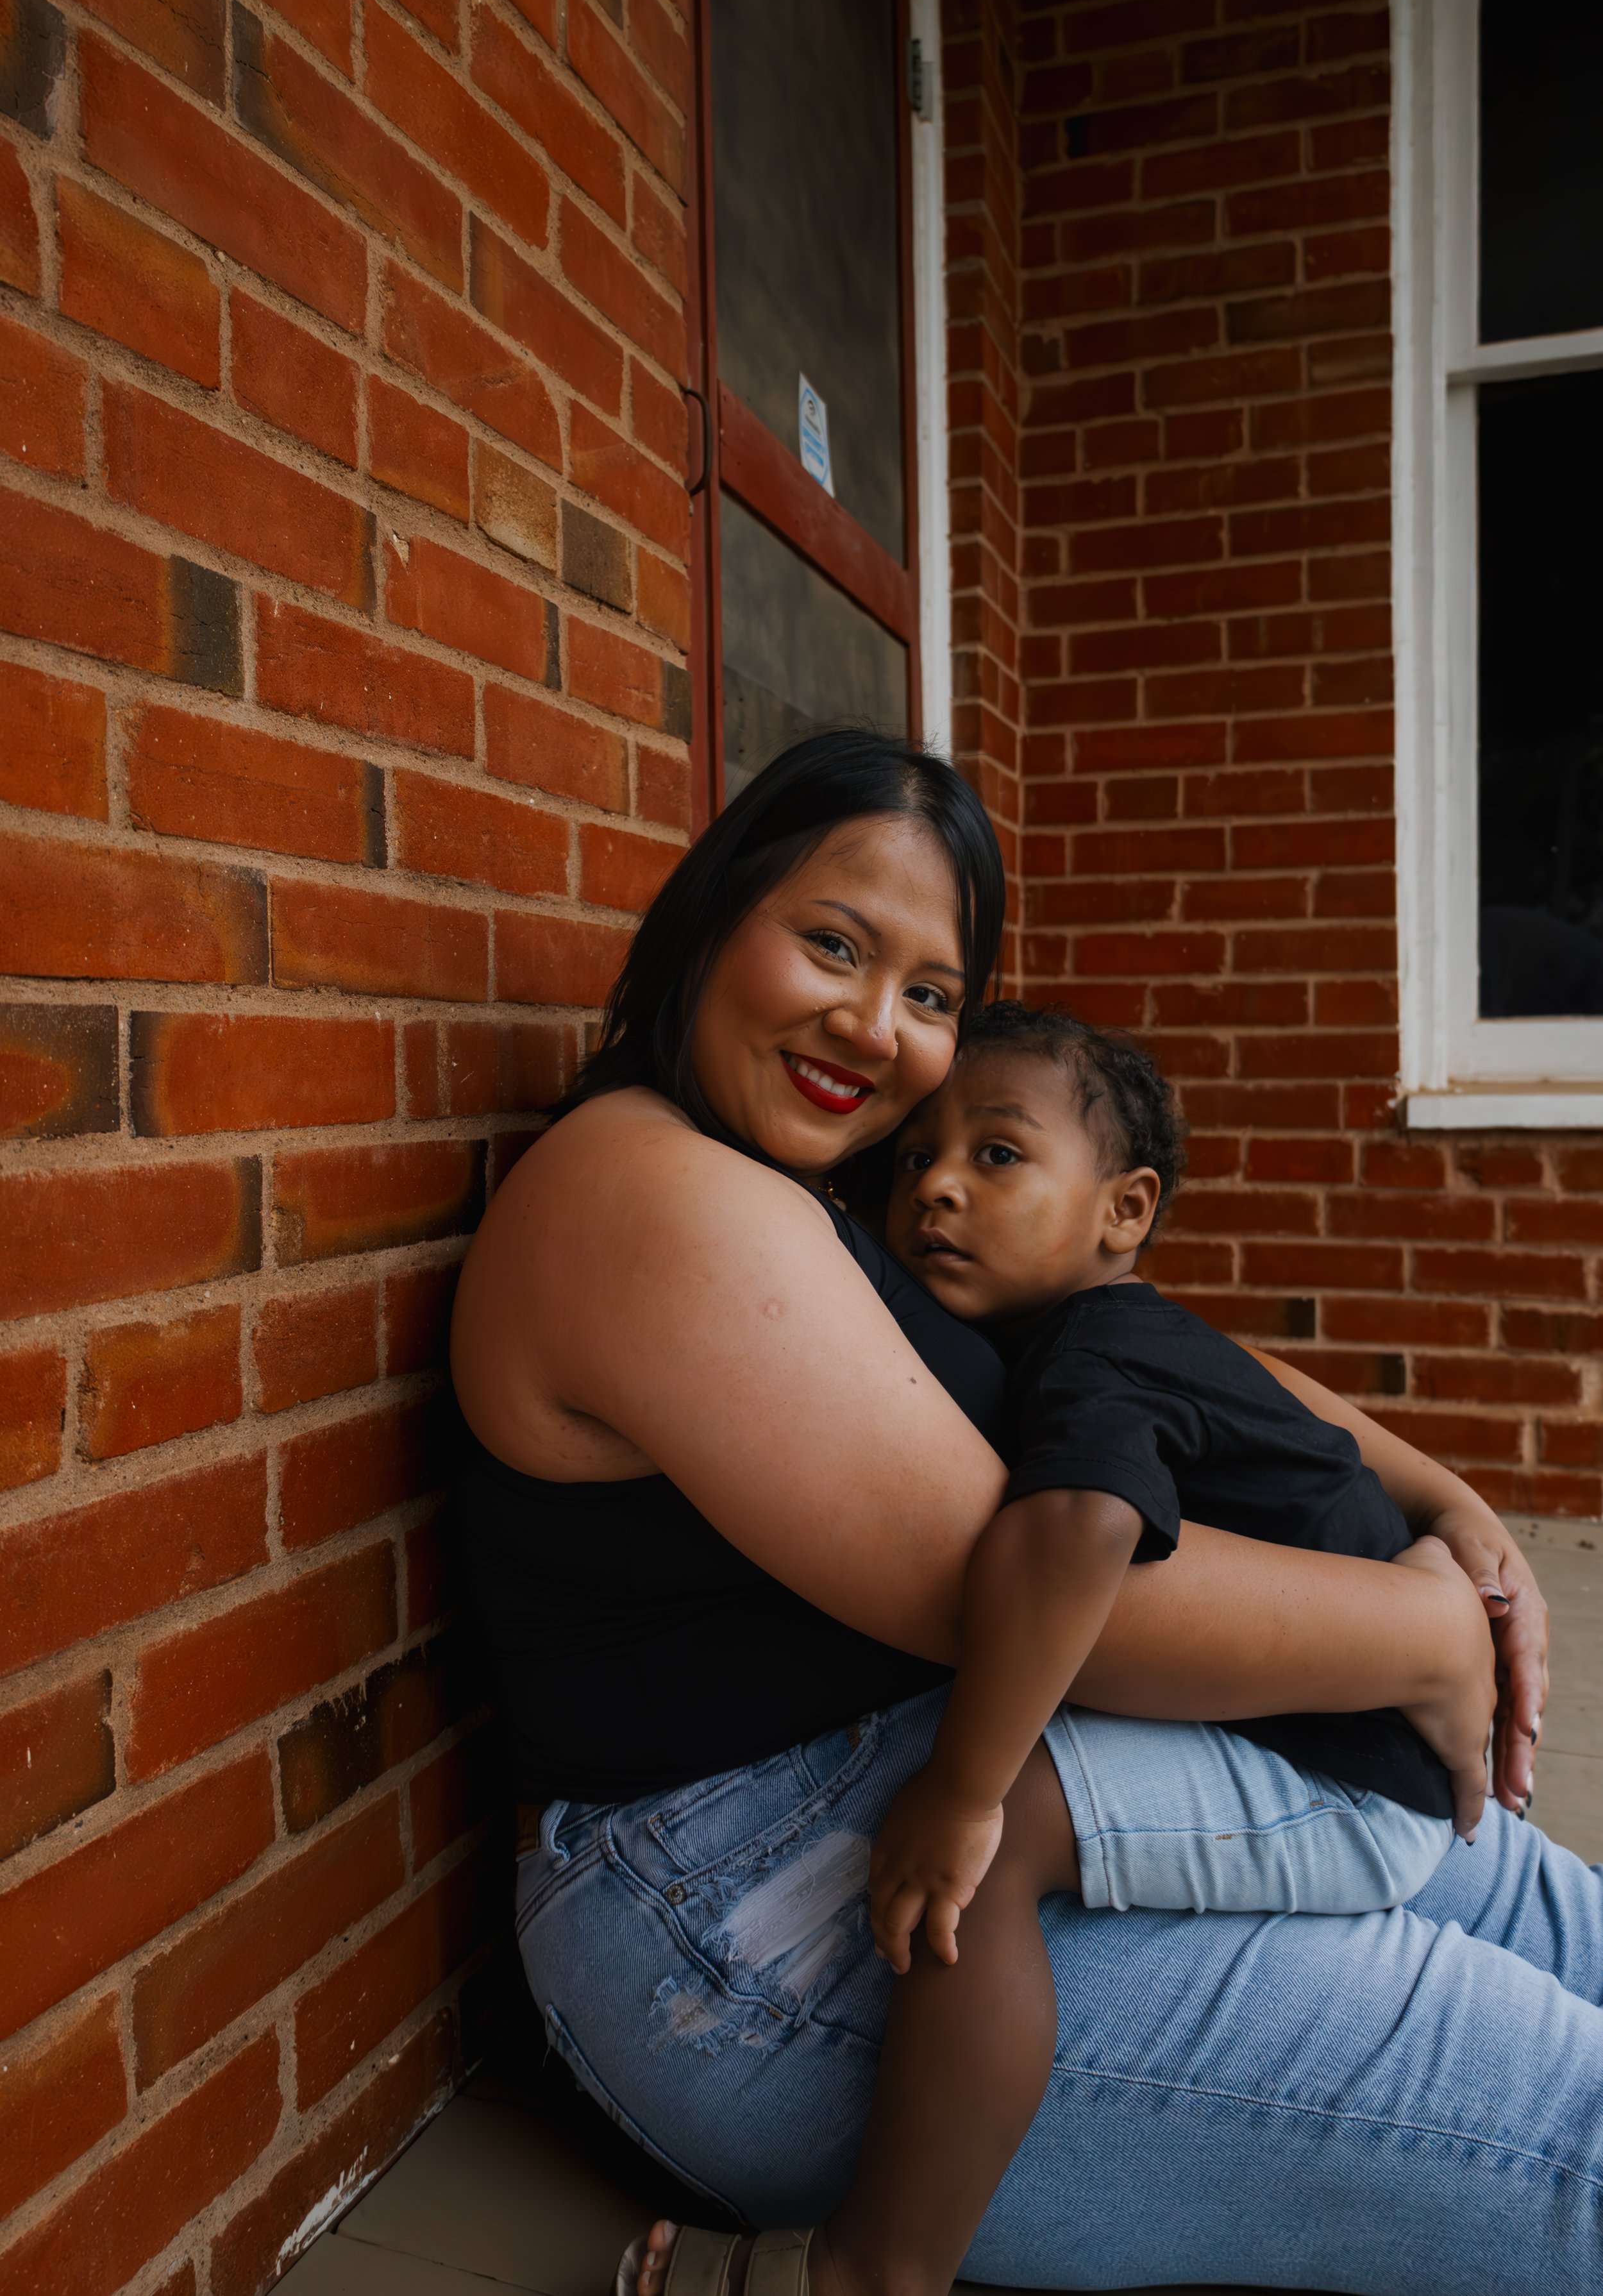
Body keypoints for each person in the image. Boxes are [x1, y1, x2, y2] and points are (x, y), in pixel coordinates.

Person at [451, 734, 1584, 2296]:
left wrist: (1429, 1488)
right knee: (1570, 2137)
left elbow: (1111, 1329)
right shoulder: (653, 1195)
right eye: (833, 944)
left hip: (973, 1768)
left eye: (929, 993)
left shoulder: (826, 1175)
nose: (875, 1025)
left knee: (1556, 1924)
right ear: (714, 916)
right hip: (747, 1915)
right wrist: (1412, 1629)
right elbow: (1022, 1592)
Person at [787, 1001, 1488, 2296]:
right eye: (913, 1157)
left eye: (996, 1155)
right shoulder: (1111, 1334)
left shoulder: (1092, 1354)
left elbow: (1078, 1527)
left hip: (1349, 1776)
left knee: (992, 1849)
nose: (934, 1184)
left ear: (1121, 1213)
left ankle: (875, 2268)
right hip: (1336, 1723)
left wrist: (961, 1785)